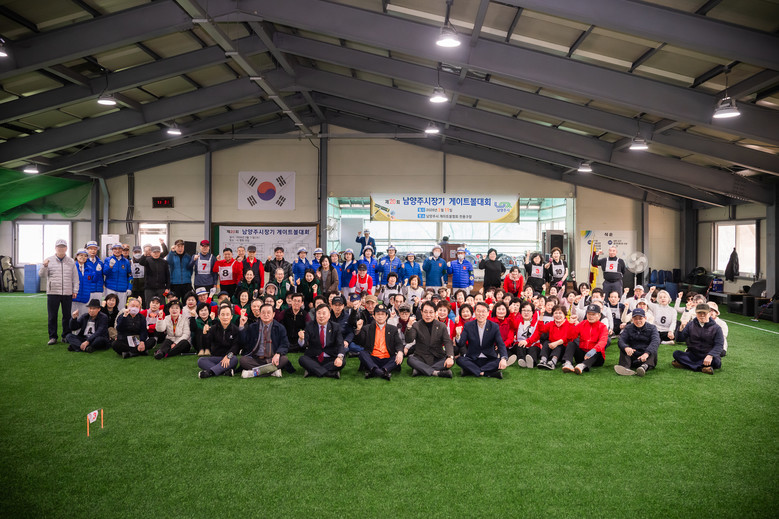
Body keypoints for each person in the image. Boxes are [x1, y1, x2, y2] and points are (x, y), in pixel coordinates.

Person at [455, 302, 509, 378]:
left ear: (488, 313)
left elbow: (501, 344)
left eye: (483, 311)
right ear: (475, 313)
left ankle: (471, 371)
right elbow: (460, 344)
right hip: (472, 358)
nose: (481, 314)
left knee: (499, 361)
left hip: (489, 359)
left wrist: (503, 358)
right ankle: (487, 373)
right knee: (459, 360)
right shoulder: (468, 325)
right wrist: (458, 335)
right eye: (478, 311)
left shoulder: (494, 326)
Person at [41, 239, 79, 345]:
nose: (61, 249)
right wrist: (44, 266)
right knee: (52, 316)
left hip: (67, 292)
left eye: (63, 247)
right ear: (55, 248)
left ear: (66, 248)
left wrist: (75, 290)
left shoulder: (71, 261)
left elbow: (75, 277)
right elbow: (42, 275)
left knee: (67, 316)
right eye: (59, 247)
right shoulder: (48, 260)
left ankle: (66, 335)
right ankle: (53, 337)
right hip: (53, 292)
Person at [239, 303, 293, 378]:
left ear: (273, 314)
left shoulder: (280, 327)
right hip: (256, 358)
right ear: (260, 314)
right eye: (263, 313)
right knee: (243, 360)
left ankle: (252, 373)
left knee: (284, 359)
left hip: (272, 359)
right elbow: (243, 341)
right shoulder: (253, 327)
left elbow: (285, 344)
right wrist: (242, 326)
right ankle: (272, 372)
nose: (266, 315)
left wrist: (278, 354)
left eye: (268, 313)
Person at [404, 301, 455, 378]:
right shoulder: (416, 325)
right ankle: (436, 372)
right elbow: (409, 340)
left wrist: (450, 357)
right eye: (425, 312)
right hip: (421, 358)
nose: (428, 315)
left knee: (450, 360)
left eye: (431, 312)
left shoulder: (441, 326)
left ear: (435, 313)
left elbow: (447, 342)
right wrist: (409, 326)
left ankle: (420, 370)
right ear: (421, 312)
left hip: (437, 357)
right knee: (410, 359)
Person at [354, 303, 404, 380]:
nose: (380, 316)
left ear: (386, 316)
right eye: (378, 314)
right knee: (362, 353)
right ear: (374, 316)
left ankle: (375, 371)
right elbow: (360, 342)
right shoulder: (367, 328)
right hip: (373, 358)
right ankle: (382, 372)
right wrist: (358, 330)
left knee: (397, 356)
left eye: (382, 314)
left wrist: (400, 352)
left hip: (387, 358)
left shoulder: (393, 329)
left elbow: (399, 343)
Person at [672, 303, 724, 374]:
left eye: (704, 313)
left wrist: (710, 355)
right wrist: (680, 329)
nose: (702, 315)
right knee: (676, 354)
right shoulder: (690, 325)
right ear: (696, 313)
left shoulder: (717, 328)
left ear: (709, 313)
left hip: (708, 356)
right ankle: (702, 368)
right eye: (699, 313)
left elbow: (719, 345)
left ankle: (686, 364)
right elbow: (679, 339)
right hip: (693, 354)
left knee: (716, 362)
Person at [298, 304, 346, 378]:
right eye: (319, 313)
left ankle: (313, 371)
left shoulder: (335, 326)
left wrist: (339, 357)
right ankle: (329, 373)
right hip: (314, 357)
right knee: (302, 359)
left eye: (324, 313)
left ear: (329, 315)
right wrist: (301, 339)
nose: (321, 316)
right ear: (316, 314)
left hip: (330, 357)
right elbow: (303, 344)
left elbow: (340, 344)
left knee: (342, 362)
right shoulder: (310, 325)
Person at [562, 304, 608, 374]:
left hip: (596, 358)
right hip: (583, 354)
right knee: (571, 343)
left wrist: (593, 350)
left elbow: (603, 341)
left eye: (593, 314)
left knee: (598, 350)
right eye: (589, 314)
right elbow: (570, 337)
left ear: (599, 315)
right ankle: (568, 363)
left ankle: (582, 366)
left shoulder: (603, 327)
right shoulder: (582, 324)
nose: (591, 316)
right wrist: (570, 324)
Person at [196, 305, 241, 378]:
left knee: (235, 359)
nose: (225, 317)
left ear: (231, 317)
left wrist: (228, 357)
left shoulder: (235, 330)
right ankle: (224, 371)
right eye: (222, 314)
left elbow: (236, 347)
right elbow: (207, 343)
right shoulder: (213, 328)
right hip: (215, 358)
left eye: (227, 314)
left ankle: (210, 372)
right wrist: (204, 334)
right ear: (219, 317)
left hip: (229, 358)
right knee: (201, 361)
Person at [615, 308, 660, 377]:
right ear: (632, 319)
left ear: (645, 318)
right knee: (623, 348)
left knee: (653, 349)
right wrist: (626, 347)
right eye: (635, 319)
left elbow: (656, 341)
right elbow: (621, 340)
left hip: (646, 355)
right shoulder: (628, 328)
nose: (638, 321)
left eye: (640, 318)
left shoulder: (652, 328)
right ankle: (625, 368)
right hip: (633, 353)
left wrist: (646, 353)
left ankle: (644, 367)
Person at [103, 242, 132, 310]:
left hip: (122, 289)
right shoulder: (107, 260)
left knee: (121, 309)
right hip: (110, 288)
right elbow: (105, 273)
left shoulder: (126, 261)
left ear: (122, 250)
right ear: (112, 250)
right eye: (115, 249)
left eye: (119, 249)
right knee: (109, 308)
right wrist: (110, 267)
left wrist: (129, 288)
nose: (117, 250)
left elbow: (130, 275)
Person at [139, 243, 170, 307]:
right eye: (154, 252)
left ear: (160, 252)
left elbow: (167, 275)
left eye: (157, 252)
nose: (156, 254)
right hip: (149, 288)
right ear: (151, 253)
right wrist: (144, 254)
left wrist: (167, 287)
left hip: (161, 288)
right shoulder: (147, 260)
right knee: (149, 305)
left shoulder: (164, 262)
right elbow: (141, 262)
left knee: (162, 305)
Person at [72, 248, 91, 318]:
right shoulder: (72, 267)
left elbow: (93, 280)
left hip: (85, 296)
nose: (83, 257)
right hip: (74, 296)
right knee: (73, 316)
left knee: (83, 317)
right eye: (81, 255)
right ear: (76, 256)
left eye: (85, 256)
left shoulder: (89, 268)